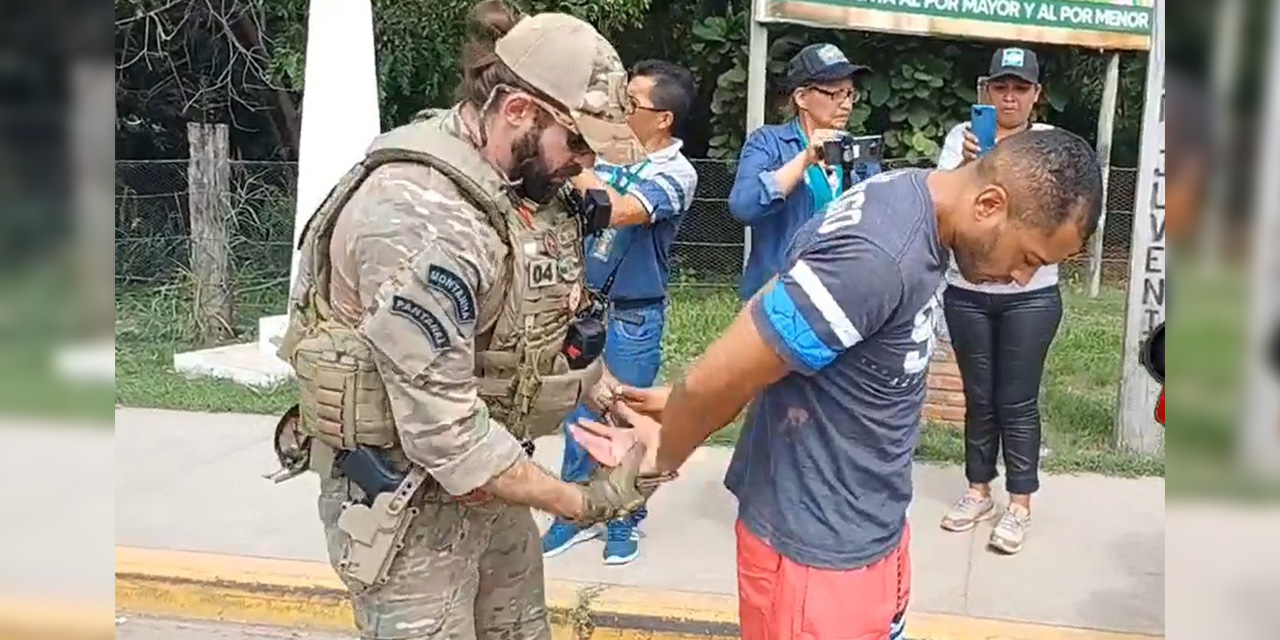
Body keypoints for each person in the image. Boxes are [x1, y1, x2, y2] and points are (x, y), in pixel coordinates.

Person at [574, 128, 1105, 639]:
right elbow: (724, 373)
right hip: (816, 555)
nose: (1022, 279)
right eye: (1030, 258)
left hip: (865, 528)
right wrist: (662, 453)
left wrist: (693, 398)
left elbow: (784, 333)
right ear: (989, 204)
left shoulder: (912, 200)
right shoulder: (877, 254)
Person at [269, 2, 669, 638]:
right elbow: (445, 432)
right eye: (578, 143)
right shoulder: (421, 217)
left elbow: (540, 327)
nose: (585, 165)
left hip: (495, 488)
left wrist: (616, 400)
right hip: (407, 515)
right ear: (517, 111)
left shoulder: (519, 185)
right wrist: (586, 502)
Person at [541, 59, 699, 565]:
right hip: (579, 305)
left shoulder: (677, 172)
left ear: (663, 118)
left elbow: (622, 211)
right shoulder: (602, 152)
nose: (622, 109)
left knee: (624, 413)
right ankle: (573, 512)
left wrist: (578, 167)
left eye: (633, 104)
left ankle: (623, 518)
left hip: (633, 315)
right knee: (576, 412)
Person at [933, 47, 1065, 554]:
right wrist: (971, 167)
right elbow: (946, 209)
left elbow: (1057, 215)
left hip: (1029, 295)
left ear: (1036, 94)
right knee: (979, 397)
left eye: (1021, 88)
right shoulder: (959, 140)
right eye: (1001, 87)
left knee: (1017, 400)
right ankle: (977, 490)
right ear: (987, 90)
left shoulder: (1052, 145)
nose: (1009, 97)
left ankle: (1020, 503)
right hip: (967, 291)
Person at [728, 42, 871, 302]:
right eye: (835, 94)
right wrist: (804, 160)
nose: (846, 104)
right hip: (776, 296)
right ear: (802, 97)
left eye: (850, 94)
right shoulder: (768, 142)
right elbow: (743, 206)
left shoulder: (857, 152)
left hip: (839, 298)